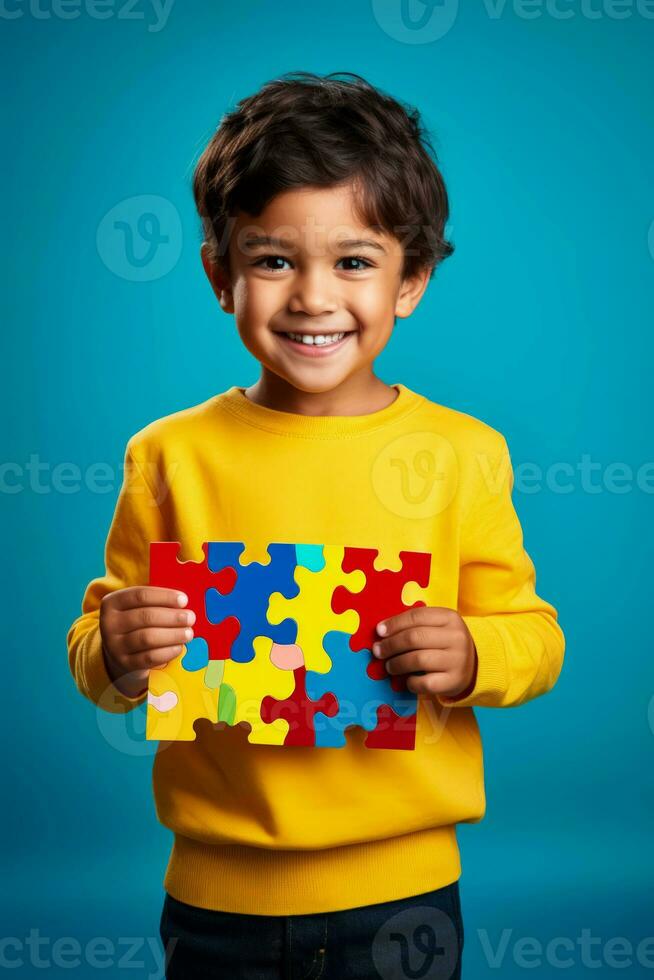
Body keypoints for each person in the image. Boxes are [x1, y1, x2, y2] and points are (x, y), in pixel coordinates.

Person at [67, 71, 565, 979]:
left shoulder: (464, 454)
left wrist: (476, 655)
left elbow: (535, 635)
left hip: (405, 892)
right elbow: (98, 646)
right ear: (222, 274)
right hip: (220, 897)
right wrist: (116, 649)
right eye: (272, 260)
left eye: (354, 261)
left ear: (410, 278)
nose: (310, 297)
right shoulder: (170, 455)